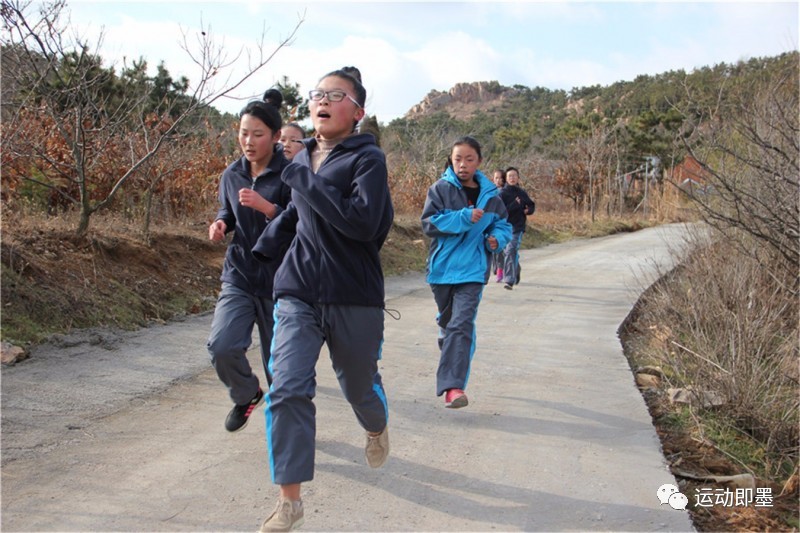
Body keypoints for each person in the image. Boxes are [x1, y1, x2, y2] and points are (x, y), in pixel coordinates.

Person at [253, 66, 393, 532]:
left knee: (358, 385)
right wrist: (265, 246)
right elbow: (297, 214)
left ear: (357, 111)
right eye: (318, 93)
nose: (323, 100)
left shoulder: (366, 160)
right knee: (288, 387)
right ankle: (289, 500)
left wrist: (304, 181)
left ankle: (375, 426)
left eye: (336, 94)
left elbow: (363, 224)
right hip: (298, 290)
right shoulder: (303, 160)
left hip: (353, 293)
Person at [207, 89, 292, 433]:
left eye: (258, 134)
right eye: (244, 133)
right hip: (240, 274)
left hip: (282, 281)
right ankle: (246, 394)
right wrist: (221, 223)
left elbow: (302, 224)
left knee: (281, 366)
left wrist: (268, 208)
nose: (249, 141)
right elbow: (227, 208)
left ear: (274, 137)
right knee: (222, 346)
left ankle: (288, 432)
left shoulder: (291, 175)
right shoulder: (232, 175)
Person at [421, 136, 512, 409]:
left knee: (461, 324)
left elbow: (503, 225)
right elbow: (428, 224)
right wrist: (462, 217)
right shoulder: (439, 190)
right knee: (450, 325)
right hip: (442, 270)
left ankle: (453, 388)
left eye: (469, 159)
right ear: (451, 160)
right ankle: (448, 340)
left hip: (473, 270)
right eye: (457, 159)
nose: (462, 164)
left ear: (479, 162)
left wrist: (497, 238)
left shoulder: (491, 197)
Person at [499, 166, 536, 290]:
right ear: (506, 178)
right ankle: (516, 268)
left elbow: (531, 205)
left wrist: (528, 210)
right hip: (505, 227)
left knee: (510, 250)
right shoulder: (502, 194)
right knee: (508, 252)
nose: (512, 178)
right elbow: (502, 211)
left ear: (518, 177)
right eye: (510, 176)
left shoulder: (521, 192)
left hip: (518, 227)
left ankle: (509, 280)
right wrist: (515, 204)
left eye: (514, 176)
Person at [490, 168, 507, 282]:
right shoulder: (489, 191)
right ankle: (496, 268)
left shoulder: (506, 192)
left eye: (501, 178)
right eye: (496, 178)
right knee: (492, 248)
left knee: (500, 247)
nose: (498, 180)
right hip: (491, 223)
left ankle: (501, 270)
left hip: (502, 223)